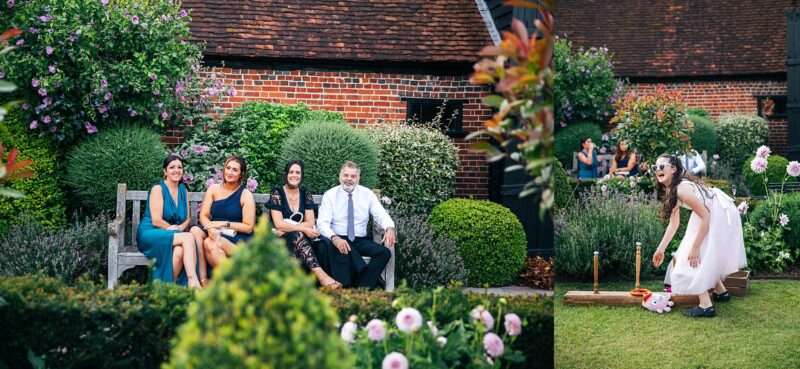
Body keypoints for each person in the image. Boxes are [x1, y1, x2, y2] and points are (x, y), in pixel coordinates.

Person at [650, 154, 746, 317]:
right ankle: (721, 292)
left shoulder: (681, 189)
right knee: (703, 253)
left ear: (673, 169)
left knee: (691, 256)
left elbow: (706, 216)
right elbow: (674, 224)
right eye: (655, 167)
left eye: (662, 166)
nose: (657, 170)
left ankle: (706, 306)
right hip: (712, 212)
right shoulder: (673, 189)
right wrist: (661, 249)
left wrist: (695, 248)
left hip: (716, 213)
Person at [317, 161, 396, 289]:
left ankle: (362, 287)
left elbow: (380, 214)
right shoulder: (330, 195)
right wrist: (334, 238)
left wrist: (389, 227)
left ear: (358, 178)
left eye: (353, 176)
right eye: (346, 175)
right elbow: (322, 223)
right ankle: (358, 287)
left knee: (384, 253)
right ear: (340, 176)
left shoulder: (367, 194)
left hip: (359, 240)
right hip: (337, 240)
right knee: (340, 252)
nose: (349, 179)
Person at [268, 160, 346, 289]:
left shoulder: (305, 193)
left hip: (301, 238)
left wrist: (290, 227)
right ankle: (322, 277)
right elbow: (278, 223)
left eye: (298, 172)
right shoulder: (277, 192)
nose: (294, 175)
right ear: (286, 174)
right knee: (296, 234)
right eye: (291, 172)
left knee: (322, 244)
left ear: (302, 175)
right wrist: (301, 228)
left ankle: (319, 288)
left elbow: (310, 222)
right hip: (280, 239)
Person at [137, 155, 206, 288]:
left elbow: (187, 219)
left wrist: (180, 228)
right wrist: (176, 230)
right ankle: (193, 282)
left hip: (171, 234)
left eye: (180, 167)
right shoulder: (158, 189)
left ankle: (165, 289)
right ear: (165, 171)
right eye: (172, 167)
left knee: (180, 251)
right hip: (151, 232)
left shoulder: (182, 190)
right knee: (187, 238)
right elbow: (156, 221)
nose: (176, 170)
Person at [196, 155, 256, 270]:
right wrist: (210, 228)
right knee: (208, 241)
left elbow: (248, 227)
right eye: (228, 168)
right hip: (215, 232)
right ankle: (234, 280)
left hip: (237, 237)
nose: (230, 172)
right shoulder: (213, 189)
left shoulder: (245, 194)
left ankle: (230, 279)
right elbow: (203, 215)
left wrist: (223, 223)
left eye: (235, 170)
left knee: (211, 243)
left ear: (241, 174)